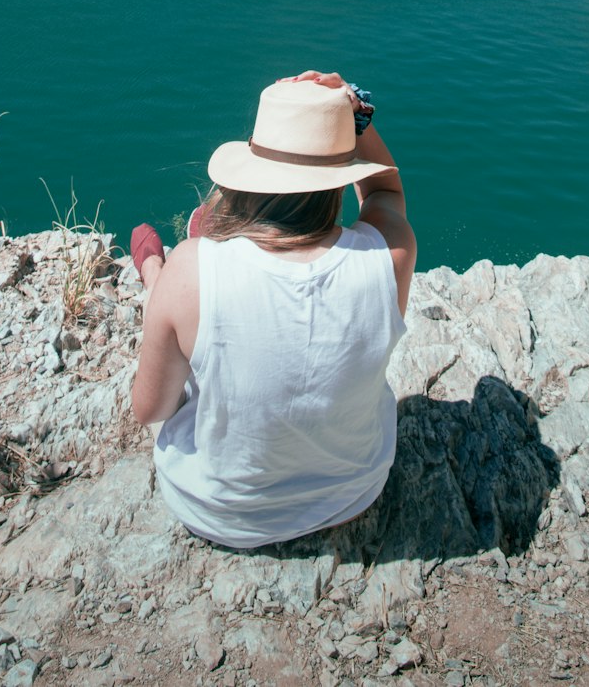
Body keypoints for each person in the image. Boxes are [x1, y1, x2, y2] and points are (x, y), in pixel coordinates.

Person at [130, 70, 416, 549]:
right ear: (340, 178)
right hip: (354, 492)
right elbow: (387, 194)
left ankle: (156, 281)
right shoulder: (388, 257)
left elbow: (151, 409)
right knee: (196, 283)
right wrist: (354, 115)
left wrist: (168, 282)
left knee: (184, 282)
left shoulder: (190, 270)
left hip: (218, 510)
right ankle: (195, 267)